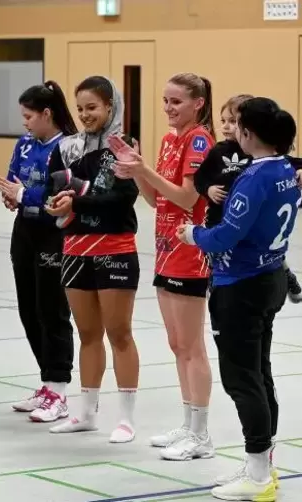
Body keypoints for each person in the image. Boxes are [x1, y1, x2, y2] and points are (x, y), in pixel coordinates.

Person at [176, 97, 300, 501]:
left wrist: (192, 235)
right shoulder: (286, 170)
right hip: (270, 277)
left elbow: (228, 234)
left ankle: (260, 476)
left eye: (238, 126)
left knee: (242, 378)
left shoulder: (254, 178)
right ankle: (261, 462)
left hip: (242, 285)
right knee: (259, 373)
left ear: (249, 133)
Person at [113, 73, 216, 461]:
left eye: (176, 101)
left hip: (191, 251)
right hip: (165, 248)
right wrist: (136, 172)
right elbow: (159, 201)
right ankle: (188, 424)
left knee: (192, 346)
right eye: (165, 101)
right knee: (177, 345)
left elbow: (189, 198)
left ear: (198, 104)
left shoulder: (199, 140)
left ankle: (202, 435)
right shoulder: (169, 139)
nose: (168, 108)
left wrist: (144, 169)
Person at [43, 76, 141, 443]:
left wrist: (76, 200)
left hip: (115, 247)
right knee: (87, 334)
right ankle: (86, 413)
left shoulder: (124, 145)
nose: (85, 115)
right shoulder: (68, 148)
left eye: (93, 108)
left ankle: (127, 419)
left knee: (119, 333)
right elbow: (55, 193)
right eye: (80, 108)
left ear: (110, 107)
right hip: (75, 248)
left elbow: (121, 198)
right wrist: (54, 204)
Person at [0, 81, 77, 423]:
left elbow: (60, 196)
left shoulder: (68, 147)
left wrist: (25, 195)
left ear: (47, 114)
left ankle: (59, 389)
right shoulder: (25, 143)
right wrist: (11, 196)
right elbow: (16, 180)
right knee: (28, 308)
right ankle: (46, 384)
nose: (24, 122)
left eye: (29, 116)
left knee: (51, 310)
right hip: (24, 232)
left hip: (53, 235)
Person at [194, 94, 302, 308]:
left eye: (233, 122)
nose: (226, 127)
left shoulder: (261, 154)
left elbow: (290, 162)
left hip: (252, 225)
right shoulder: (219, 151)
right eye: (223, 120)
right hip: (221, 216)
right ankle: (216, 284)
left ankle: (286, 272)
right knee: (217, 252)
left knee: (262, 247)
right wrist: (208, 189)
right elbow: (201, 176)